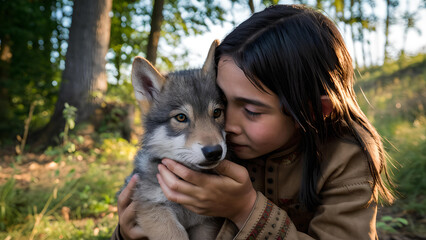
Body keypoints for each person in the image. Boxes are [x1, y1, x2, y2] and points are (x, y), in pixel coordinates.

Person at [112, 4, 394, 240]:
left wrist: (245, 209)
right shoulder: (224, 147)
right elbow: (154, 213)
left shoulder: (347, 157)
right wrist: (125, 234)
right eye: (225, 104)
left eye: (251, 110)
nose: (226, 128)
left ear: (311, 112)